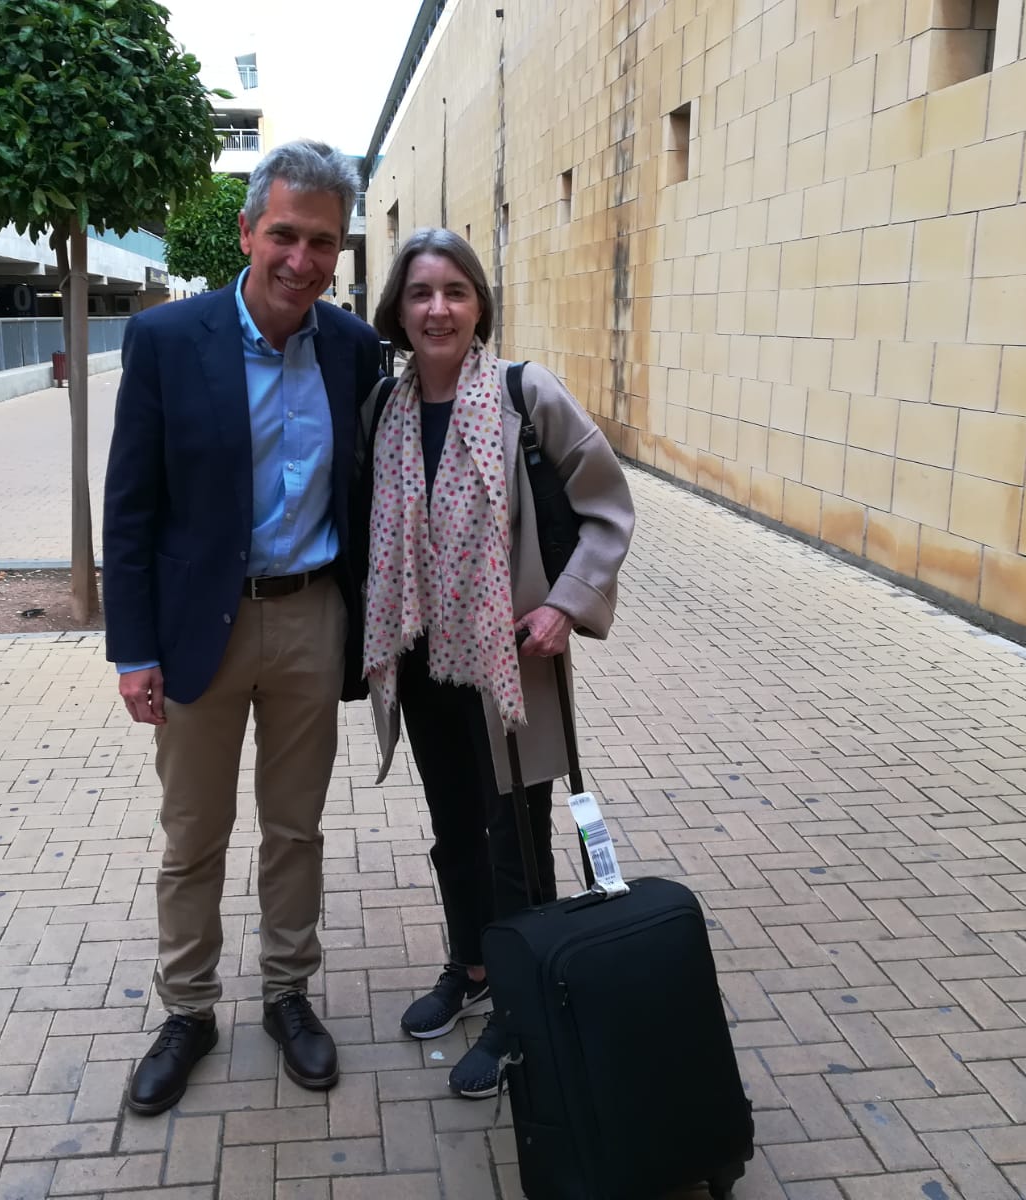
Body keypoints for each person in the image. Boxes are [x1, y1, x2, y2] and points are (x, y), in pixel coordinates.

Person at [102, 140, 383, 1116]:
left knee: (294, 829)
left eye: (323, 242)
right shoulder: (167, 340)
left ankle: (287, 994)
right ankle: (187, 1009)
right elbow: (130, 508)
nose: (302, 260)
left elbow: (372, 490)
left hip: (311, 618)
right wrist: (134, 649)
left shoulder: (353, 348)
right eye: (285, 235)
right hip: (198, 630)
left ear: (340, 250)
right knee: (194, 835)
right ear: (246, 232)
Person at [358, 228, 634, 1098]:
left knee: (515, 837)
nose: (438, 309)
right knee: (454, 830)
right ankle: (473, 968)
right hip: (421, 658)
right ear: (397, 311)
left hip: (509, 660)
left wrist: (564, 603)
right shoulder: (385, 407)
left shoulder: (525, 394)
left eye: (456, 291)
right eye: (420, 293)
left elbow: (607, 504)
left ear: (480, 304)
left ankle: (525, 1006)